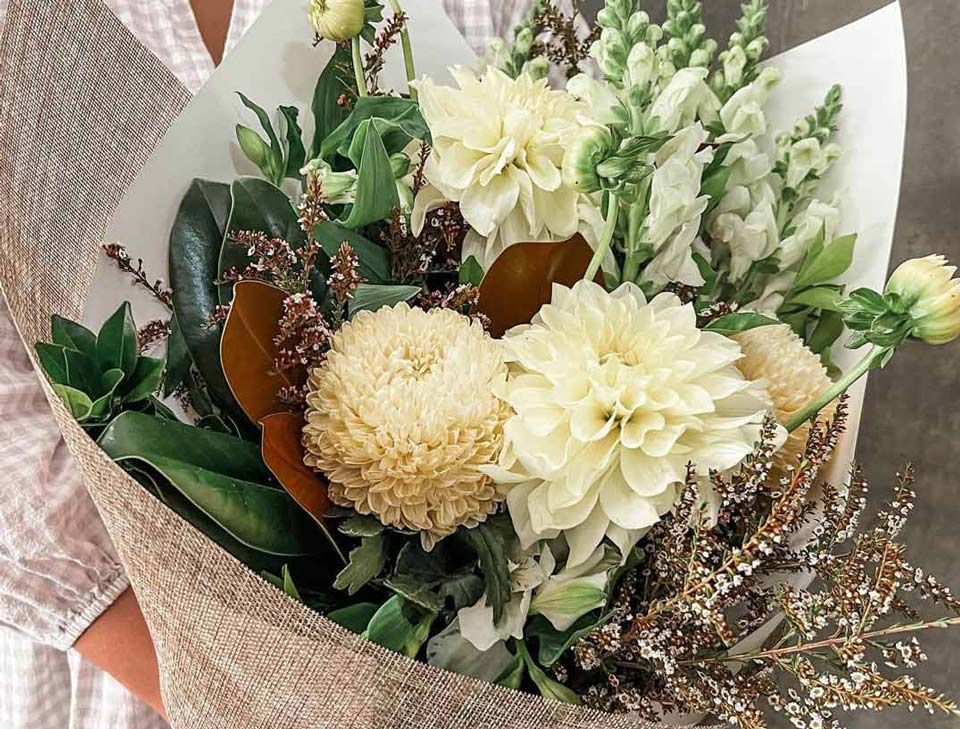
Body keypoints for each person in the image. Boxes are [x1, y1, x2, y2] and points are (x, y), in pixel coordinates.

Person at [0, 0, 549, 727]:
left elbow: (580, 230)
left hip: (470, 652)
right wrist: (240, 700)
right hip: (142, 667)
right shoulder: (23, 33)